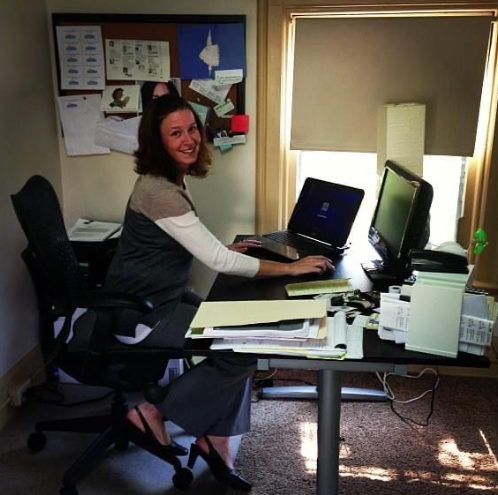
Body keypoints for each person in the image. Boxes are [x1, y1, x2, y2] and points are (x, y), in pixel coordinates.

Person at [105, 95, 334, 491]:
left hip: (165, 298)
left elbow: (185, 242)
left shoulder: (174, 179)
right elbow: (217, 262)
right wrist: (292, 267)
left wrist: (222, 250)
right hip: (141, 313)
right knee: (243, 349)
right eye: (176, 133)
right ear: (157, 142)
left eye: (192, 128)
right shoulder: (158, 190)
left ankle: (216, 439)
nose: (189, 139)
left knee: (242, 334)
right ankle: (151, 412)